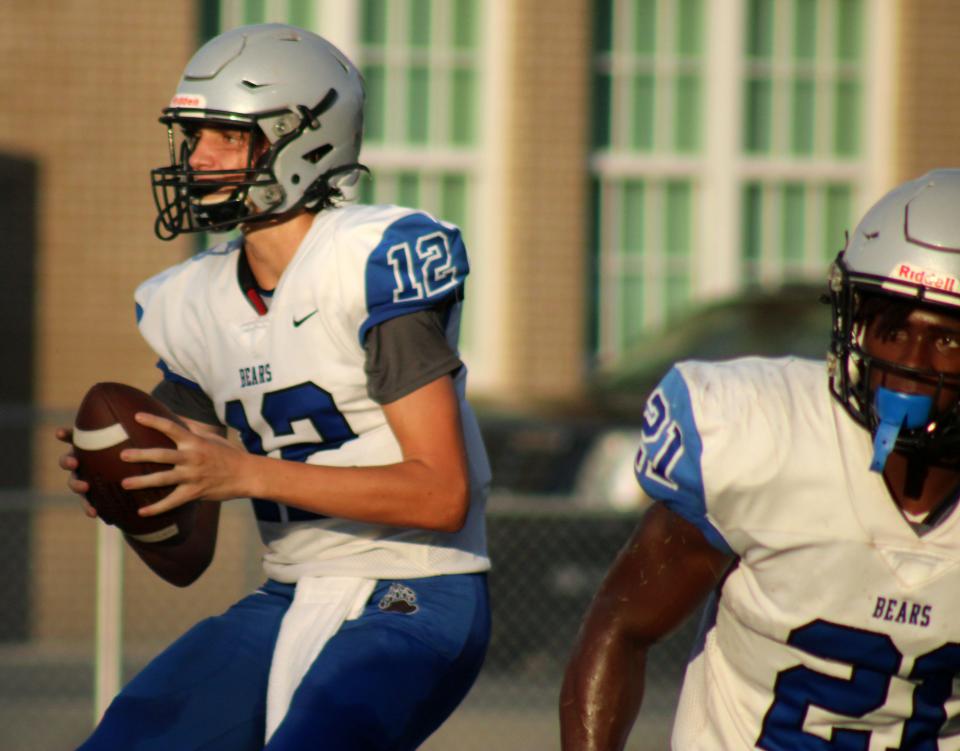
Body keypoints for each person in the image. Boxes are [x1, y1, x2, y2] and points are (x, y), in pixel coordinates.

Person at [56, 23, 491, 751]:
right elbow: (187, 560)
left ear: (303, 139)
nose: (198, 159)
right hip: (288, 591)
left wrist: (242, 472)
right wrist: (131, 492)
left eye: (224, 136)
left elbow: (442, 495)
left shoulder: (367, 262)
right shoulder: (192, 302)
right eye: (192, 137)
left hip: (416, 591)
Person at [559, 168, 960, 750]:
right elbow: (620, 629)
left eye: (948, 339)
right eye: (892, 329)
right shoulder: (767, 438)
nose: (911, 361)